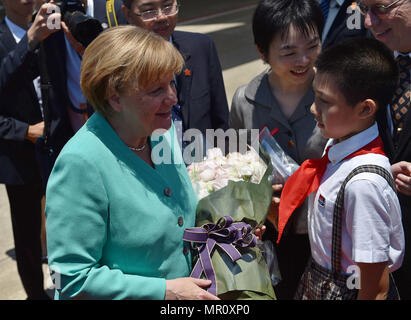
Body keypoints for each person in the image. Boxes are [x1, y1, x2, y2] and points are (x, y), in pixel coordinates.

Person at [45, 25, 221, 300]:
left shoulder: (160, 133)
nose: (173, 97)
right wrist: (164, 291)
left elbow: (178, 222)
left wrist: (227, 232)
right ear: (115, 97)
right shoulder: (80, 163)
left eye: (171, 83)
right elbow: (70, 279)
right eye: (156, 90)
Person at [279, 37, 404, 300]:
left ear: (365, 109)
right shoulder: (338, 143)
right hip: (321, 278)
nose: (314, 108)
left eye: (325, 101)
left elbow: (375, 289)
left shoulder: (363, 186)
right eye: (315, 96)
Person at [229, 0, 327, 299]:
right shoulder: (245, 101)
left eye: (312, 46)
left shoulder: (337, 91)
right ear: (262, 52)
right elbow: (235, 168)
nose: (303, 60)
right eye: (288, 52)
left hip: (327, 231)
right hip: (272, 232)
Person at [0, 0, 60, 300]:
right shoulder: (9, 38)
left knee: (68, 223)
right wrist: (24, 131)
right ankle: (36, 295)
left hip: (60, 145)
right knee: (27, 238)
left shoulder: (54, 27)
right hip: (19, 154)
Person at [121, 0, 229, 149]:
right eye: (149, 11)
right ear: (128, 14)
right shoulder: (119, 66)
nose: (161, 17)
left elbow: (221, 122)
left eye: (167, 7)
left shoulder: (201, 47)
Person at [359, 0, 411, 299]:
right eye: (364, 9)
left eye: (380, 7)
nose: (368, 21)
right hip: (385, 244)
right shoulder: (374, 54)